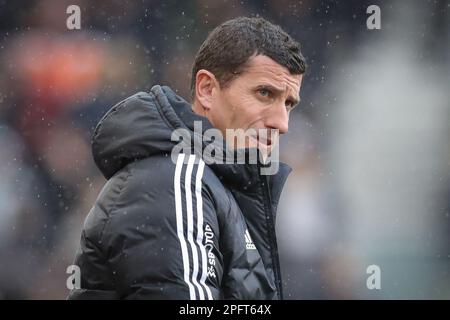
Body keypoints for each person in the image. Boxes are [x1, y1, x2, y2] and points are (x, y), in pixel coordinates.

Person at [68, 16, 306, 300]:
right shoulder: (175, 179)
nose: (282, 123)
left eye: (288, 104)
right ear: (207, 89)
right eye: (264, 93)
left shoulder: (214, 185)